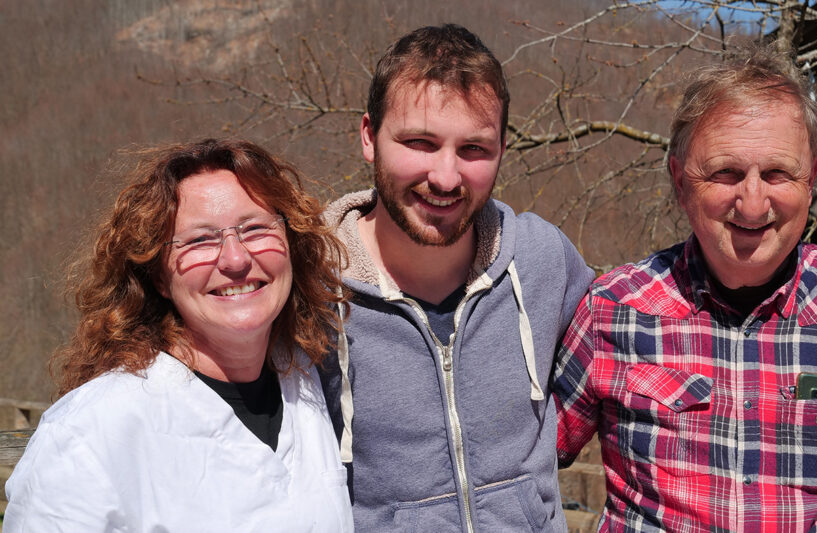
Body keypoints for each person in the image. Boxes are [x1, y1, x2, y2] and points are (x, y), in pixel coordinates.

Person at [554, 44, 817, 532]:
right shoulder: (613, 310)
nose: (753, 202)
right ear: (680, 181)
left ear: (813, 178)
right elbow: (520, 473)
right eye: (726, 173)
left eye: (778, 173)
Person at [320, 24, 594, 531]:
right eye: (420, 142)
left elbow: (621, 350)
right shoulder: (308, 290)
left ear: (502, 150)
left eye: (473, 149)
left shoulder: (540, 258)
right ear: (368, 136)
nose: (446, 177)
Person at [4, 139, 353, 532]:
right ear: (159, 277)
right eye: (200, 240)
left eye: (255, 229)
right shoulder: (90, 433)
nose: (235, 259)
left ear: (292, 243)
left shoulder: (313, 379)